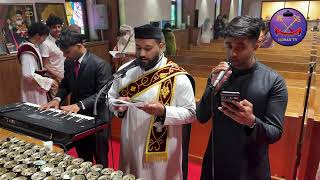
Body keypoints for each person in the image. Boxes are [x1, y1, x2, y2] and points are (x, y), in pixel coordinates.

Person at [196, 16, 288, 180]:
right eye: (229, 46)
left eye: (240, 46)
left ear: (256, 45)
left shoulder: (274, 81)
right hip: (216, 162)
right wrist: (213, 88)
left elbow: (274, 133)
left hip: (250, 167)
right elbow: (201, 116)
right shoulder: (219, 74)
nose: (233, 53)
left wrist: (251, 121)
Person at [108, 24, 196, 180]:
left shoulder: (178, 77)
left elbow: (191, 113)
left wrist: (164, 111)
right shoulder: (125, 71)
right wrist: (117, 106)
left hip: (162, 152)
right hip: (130, 142)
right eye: (138, 47)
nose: (141, 53)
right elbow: (110, 96)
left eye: (148, 48)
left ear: (161, 46)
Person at [41, 30, 112, 167]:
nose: (64, 55)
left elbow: (102, 94)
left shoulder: (100, 65)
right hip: (77, 116)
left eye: (67, 52)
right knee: (83, 158)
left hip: (97, 118)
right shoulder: (69, 62)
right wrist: (56, 99)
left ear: (79, 46)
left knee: (101, 160)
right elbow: (65, 85)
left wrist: (79, 105)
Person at [18, 22, 53, 104]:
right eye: (44, 37)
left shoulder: (33, 46)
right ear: (38, 35)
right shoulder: (27, 50)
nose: (44, 40)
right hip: (32, 88)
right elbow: (28, 74)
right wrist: (48, 81)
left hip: (36, 85)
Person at [40, 15, 65, 99]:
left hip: (65, 76)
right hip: (54, 78)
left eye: (59, 26)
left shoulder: (63, 40)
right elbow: (45, 65)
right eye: (54, 27)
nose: (57, 29)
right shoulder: (45, 43)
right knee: (57, 104)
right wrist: (58, 76)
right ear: (49, 28)